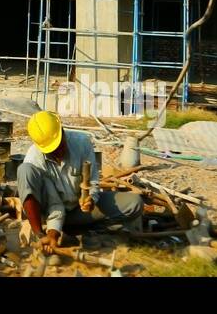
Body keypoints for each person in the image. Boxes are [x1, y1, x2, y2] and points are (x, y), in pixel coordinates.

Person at [17, 110, 143, 256]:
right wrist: (52, 233)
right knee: (24, 170)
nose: (57, 151)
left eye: (59, 145)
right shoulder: (35, 160)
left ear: (62, 131)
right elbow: (55, 205)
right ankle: (42, 234)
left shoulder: (82, 143)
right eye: (52, 150)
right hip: (51, 214)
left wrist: (91, 200)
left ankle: (88, 231)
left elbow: (93, 181)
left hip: (79, 212)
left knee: (134, 203)